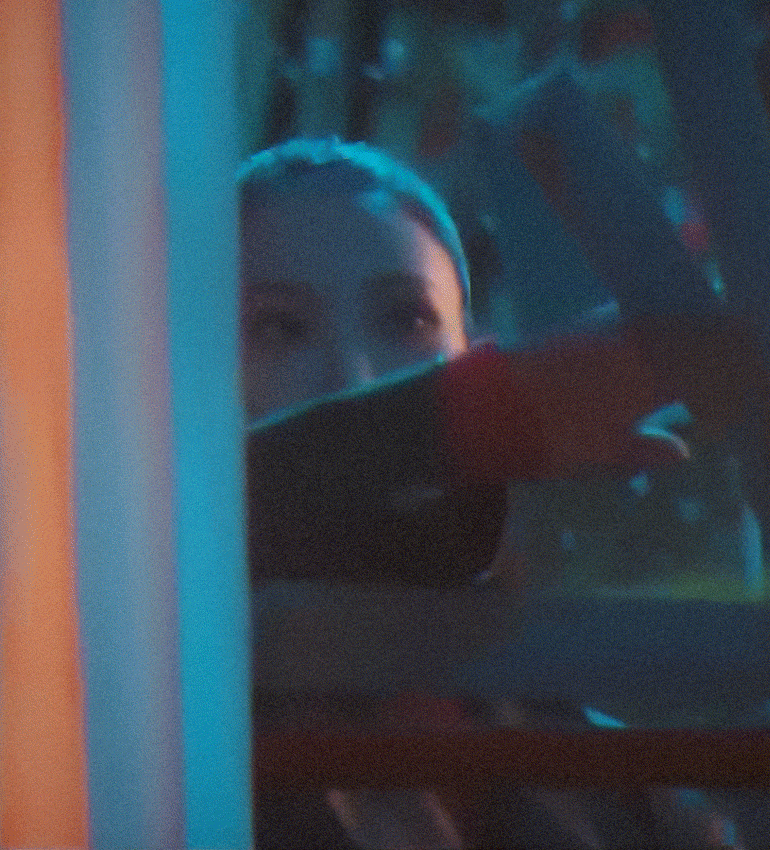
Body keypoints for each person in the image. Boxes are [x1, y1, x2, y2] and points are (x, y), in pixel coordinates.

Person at [241, 137, 742, 849]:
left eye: (407, 319)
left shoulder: (628, 791)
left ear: (471, 353)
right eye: (278, 328)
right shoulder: (143, 745)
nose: (354, 379)